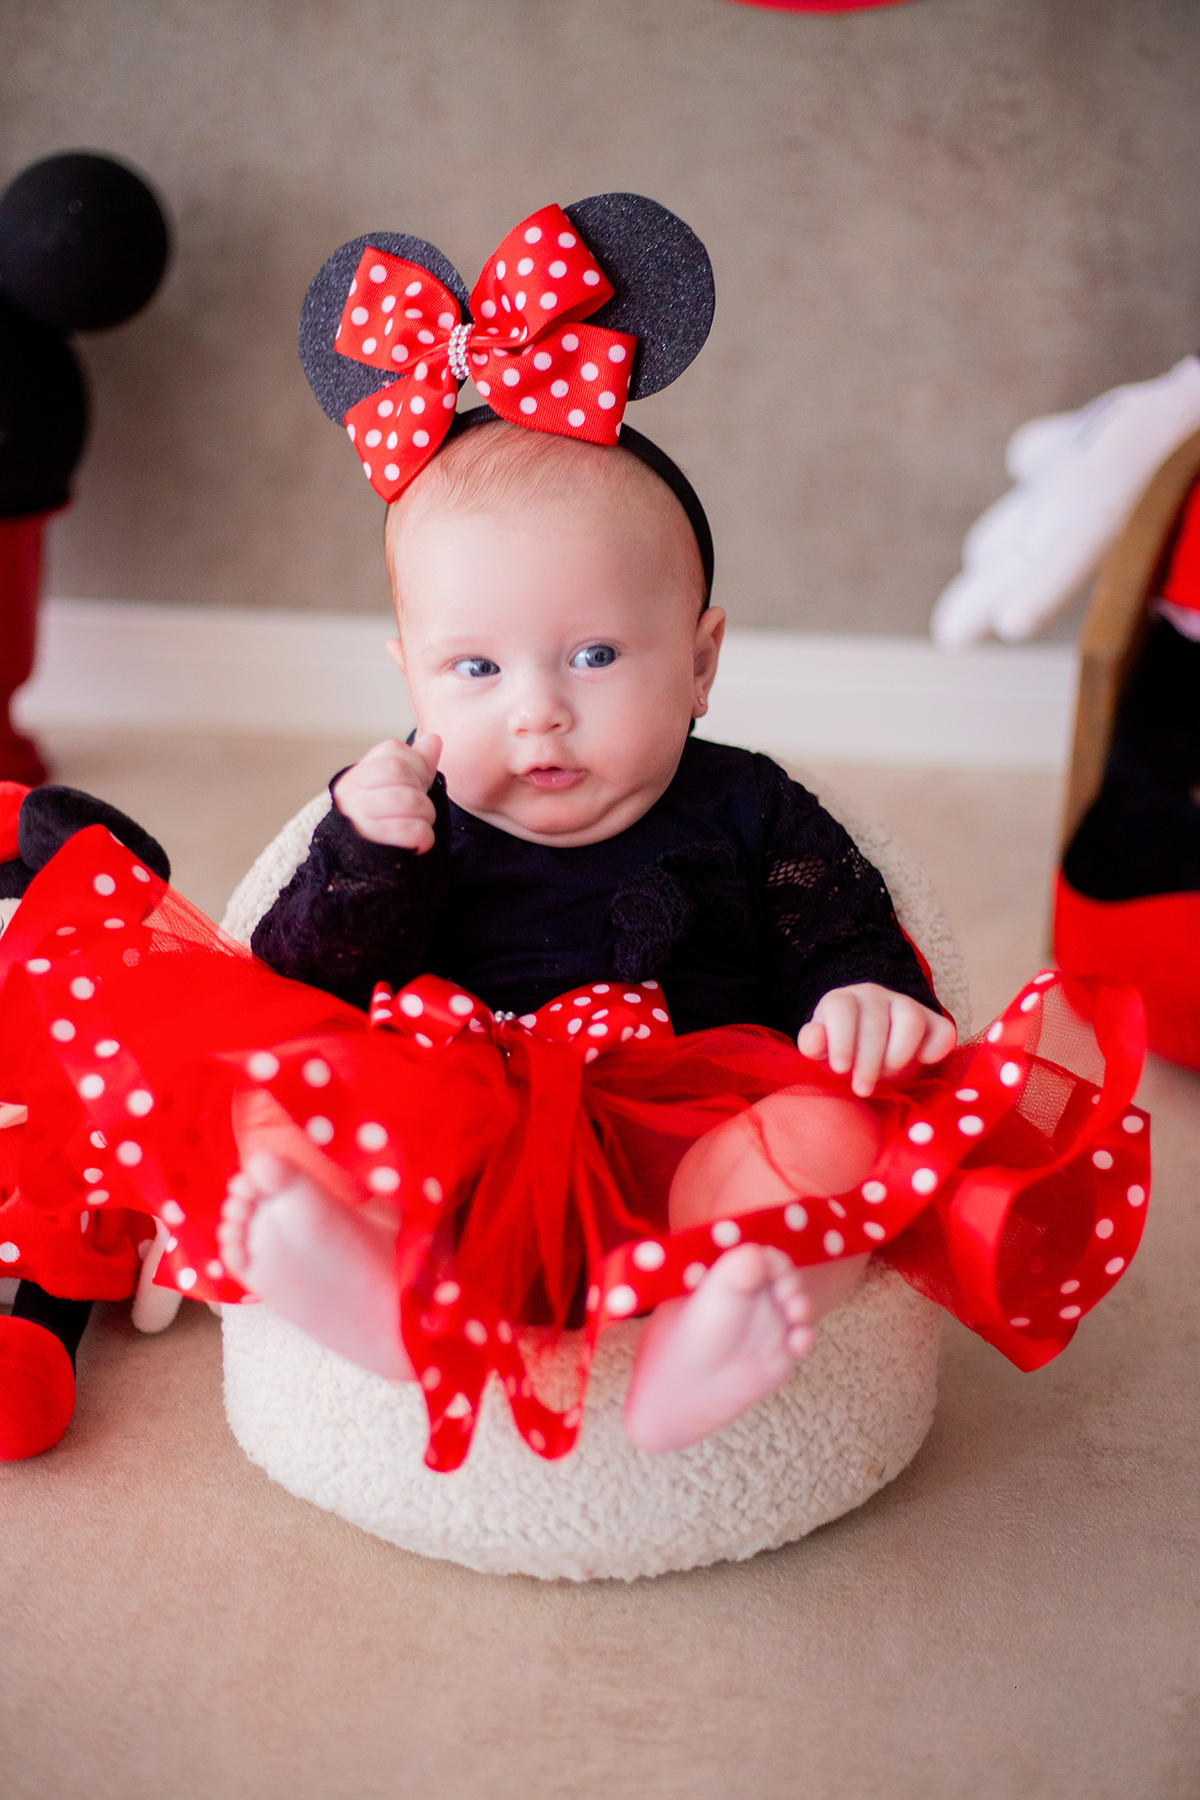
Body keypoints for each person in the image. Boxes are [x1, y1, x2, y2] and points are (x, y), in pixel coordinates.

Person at [0, 199, 1149, 1471]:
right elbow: (292, 985)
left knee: (838, 1142)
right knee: (277, 1105)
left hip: (688, 1128)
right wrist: (360, 854)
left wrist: (865, 996)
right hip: (453, 1123)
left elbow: (836, 920)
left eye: (597, 654)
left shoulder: (748, 800)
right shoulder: (404, 811)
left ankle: (719, 1332)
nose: (539, 709)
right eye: (476, 667)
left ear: (702, 661)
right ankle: (375, 1297)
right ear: (411, 677)